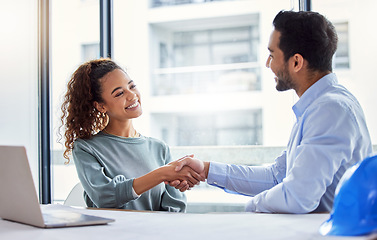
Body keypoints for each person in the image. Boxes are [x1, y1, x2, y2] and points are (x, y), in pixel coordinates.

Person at [170, 10, 373, 214]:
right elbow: (276, 177)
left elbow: (297, 197)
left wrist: (251, 208)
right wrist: (206, 170)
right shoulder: (318, 106)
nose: (268, 64)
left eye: (272, 55)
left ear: (296, 62)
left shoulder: (330, 110)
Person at [60, 58, 203, 212]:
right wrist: (162, 174)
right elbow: (105, 197)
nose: (132, 95)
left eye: (132, 86)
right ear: (101, 106)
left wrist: (178, 180)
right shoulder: (86, 148)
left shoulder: (159, 148)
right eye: (119, 93)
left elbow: (176, 206)